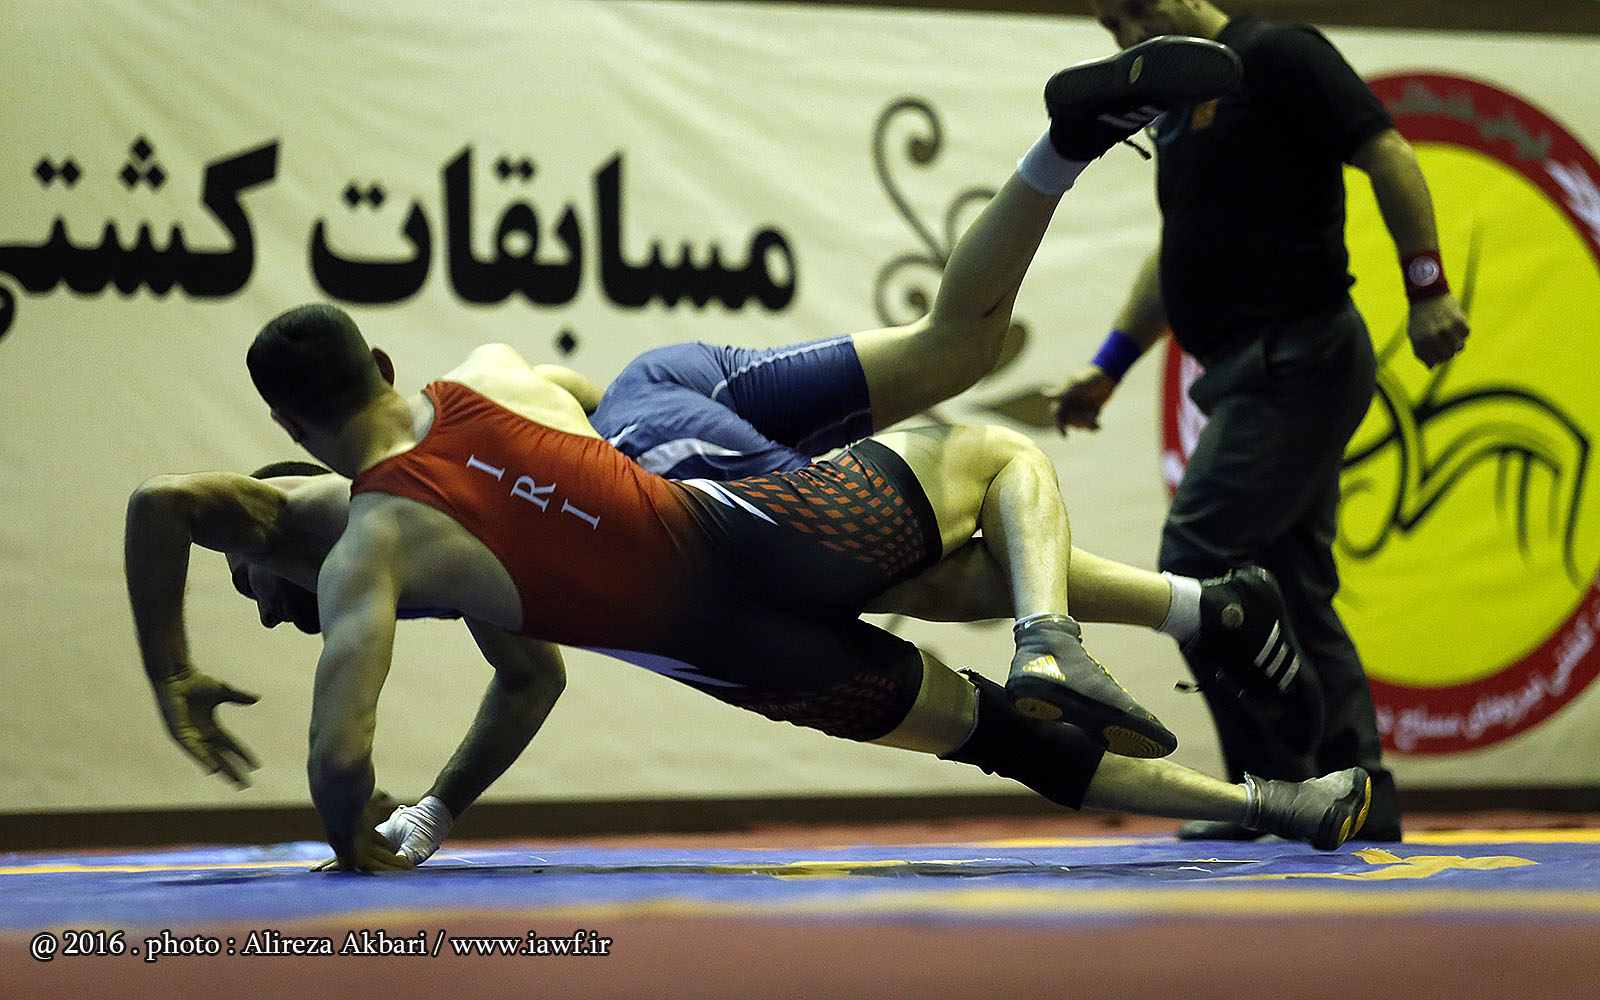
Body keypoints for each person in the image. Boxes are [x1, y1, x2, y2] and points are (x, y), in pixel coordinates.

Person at [222, 38, 1369, 871]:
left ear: (294, 502)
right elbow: (528, 678)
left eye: (255, 584)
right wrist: (432, 814)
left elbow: (219, 539)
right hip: (717, 542)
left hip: (677, 445)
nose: (270, 616)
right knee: (964, 581)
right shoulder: (444, 560)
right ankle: (1221, 680)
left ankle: (1109, 637)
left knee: (961, 473)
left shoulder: (383, 533)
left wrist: (370, 819)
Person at [1053, 1, 1472, 843]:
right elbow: (1180, 248)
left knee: (1198, 559)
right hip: (1255, 371)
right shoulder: (1177, 102)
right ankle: (1357, 790)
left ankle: (1274, 787)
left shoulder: (1276, 54)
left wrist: (1427, 288)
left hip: (1300, 356)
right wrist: (1108, 365)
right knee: (1291, 589)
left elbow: (1386, 151)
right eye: (1108, 25)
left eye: (1132, 12)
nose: (1125, 37)